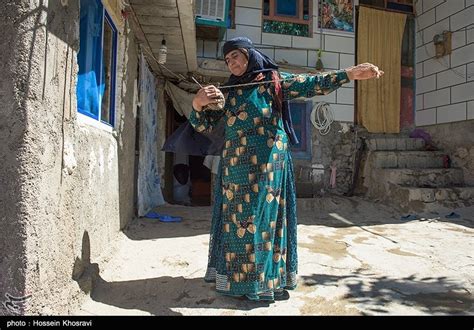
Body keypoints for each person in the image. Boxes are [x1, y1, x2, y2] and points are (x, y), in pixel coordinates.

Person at [190, 37, 383, 302]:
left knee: (265, 224)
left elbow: (312, 83)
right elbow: (205, 125)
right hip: (235, 170)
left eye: (235, 56)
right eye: (227, 60)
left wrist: (349, 73)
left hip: (269, 168)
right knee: (237, 226)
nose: (231, 62)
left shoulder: (274, 81)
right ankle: (238, 283)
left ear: (249, 55)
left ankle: (264, 283)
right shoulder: (229, 92)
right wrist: (198, 104)